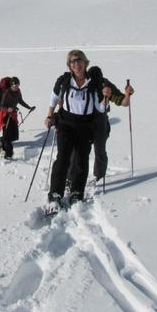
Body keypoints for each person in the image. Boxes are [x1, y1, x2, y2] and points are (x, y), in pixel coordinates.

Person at [44, 50, 106, 212]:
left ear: (85, 63)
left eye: (79, 61)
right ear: (69, 65)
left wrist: (106, 97)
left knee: (81, 159)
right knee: (63, 158)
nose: (76, 64)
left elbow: (100, 107)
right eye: (72, 62)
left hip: (85, 126)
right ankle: (55, 195)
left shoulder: (93, 83)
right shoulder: (64, 81)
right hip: (65, 123)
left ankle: (76, 192)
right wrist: (50, 116)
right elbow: (53, 98)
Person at [66, 66, 133, 186]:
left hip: (100, 122)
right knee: (77, 151)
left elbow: (124, 102)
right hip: (84, 123)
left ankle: (99, 177)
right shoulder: (82, 83)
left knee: (99, 151)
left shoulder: (105, 85)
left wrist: (127, 95)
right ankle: (71, 178)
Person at [0, 77, 34, 159]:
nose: (15, 87)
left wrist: (29, 107)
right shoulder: (7, 93)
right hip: (5, 115)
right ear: (11, 85)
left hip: (13, 115)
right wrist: (7, 109)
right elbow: (1, 106)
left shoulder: (18, 91)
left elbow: (20, 100)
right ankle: (8, 153)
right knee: (7, 136)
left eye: (17, 85)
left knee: (14, 136)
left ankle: (0, 140)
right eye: (14, 85)